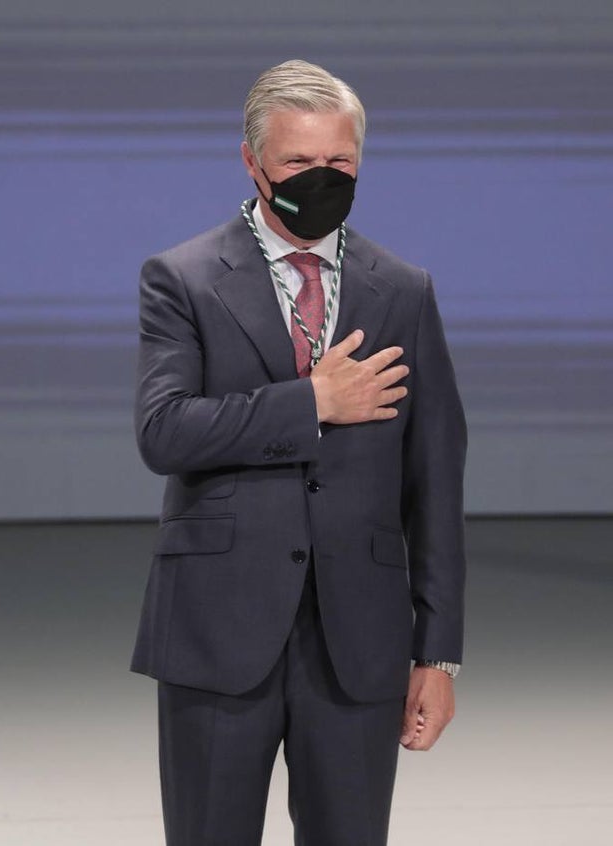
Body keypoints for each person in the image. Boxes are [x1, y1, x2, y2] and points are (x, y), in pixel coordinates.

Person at [131, 59, 466, 845]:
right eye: (298, 162)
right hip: (217, 632)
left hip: (360, 644)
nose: (322, 178)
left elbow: (435, 480)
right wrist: (311, 402)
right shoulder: (183, 279)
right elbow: (164, 431)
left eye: (339, 162)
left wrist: (439, 655)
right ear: (252, 162)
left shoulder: (404, 290)